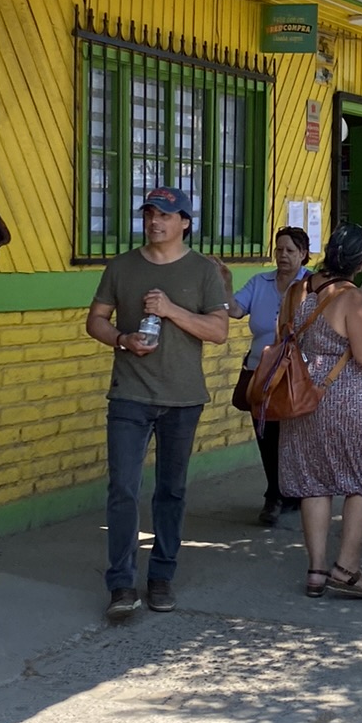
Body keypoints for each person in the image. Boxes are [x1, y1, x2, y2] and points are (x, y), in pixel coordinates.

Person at [85, 188, 230, 622]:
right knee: (123, 489)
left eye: (165, 215)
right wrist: (122, 339)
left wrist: (170, 310)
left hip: (182, 398)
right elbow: (95, 320)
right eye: (150, 213)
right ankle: (121, 584)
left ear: (185, 222)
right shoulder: (121, 266)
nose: (155, 221)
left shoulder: (203, 271)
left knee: (171, 491)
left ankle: (162, 576)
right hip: (129, 393)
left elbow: (218, 331)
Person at [277, 222, 362, 599]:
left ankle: (316, 570)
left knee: (313, 482)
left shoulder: (297, 289)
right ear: (361, 262)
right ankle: (346, 567)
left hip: (301, 397)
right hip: (343, 400)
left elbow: (283, 337)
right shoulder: (354, 297)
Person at [226, 225, 311, 527]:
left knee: (295, 436)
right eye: (279, 249)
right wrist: (224, 285)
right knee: (266, 434)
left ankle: (294, 491)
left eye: (290, 250)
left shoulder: (312, 284)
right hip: (261, 371)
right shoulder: (260, 282)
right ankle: (274, 494)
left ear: (303, 254)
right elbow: (235, 310)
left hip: (297, 373)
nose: (283, 255)